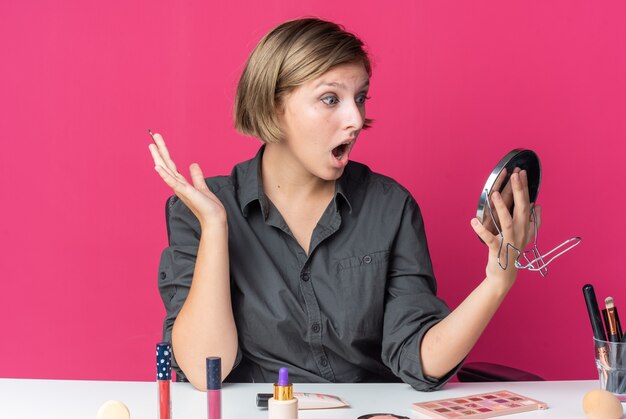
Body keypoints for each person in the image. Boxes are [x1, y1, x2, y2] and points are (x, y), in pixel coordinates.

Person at [148, 17, 540, 392]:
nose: (355, 119)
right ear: (273, 107)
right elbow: (204, 369)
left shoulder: (391, 207)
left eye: (361, 97)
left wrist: (496, 283)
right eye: (330, 99)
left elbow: (419, 359)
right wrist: (216, 227)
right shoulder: (201, 210)